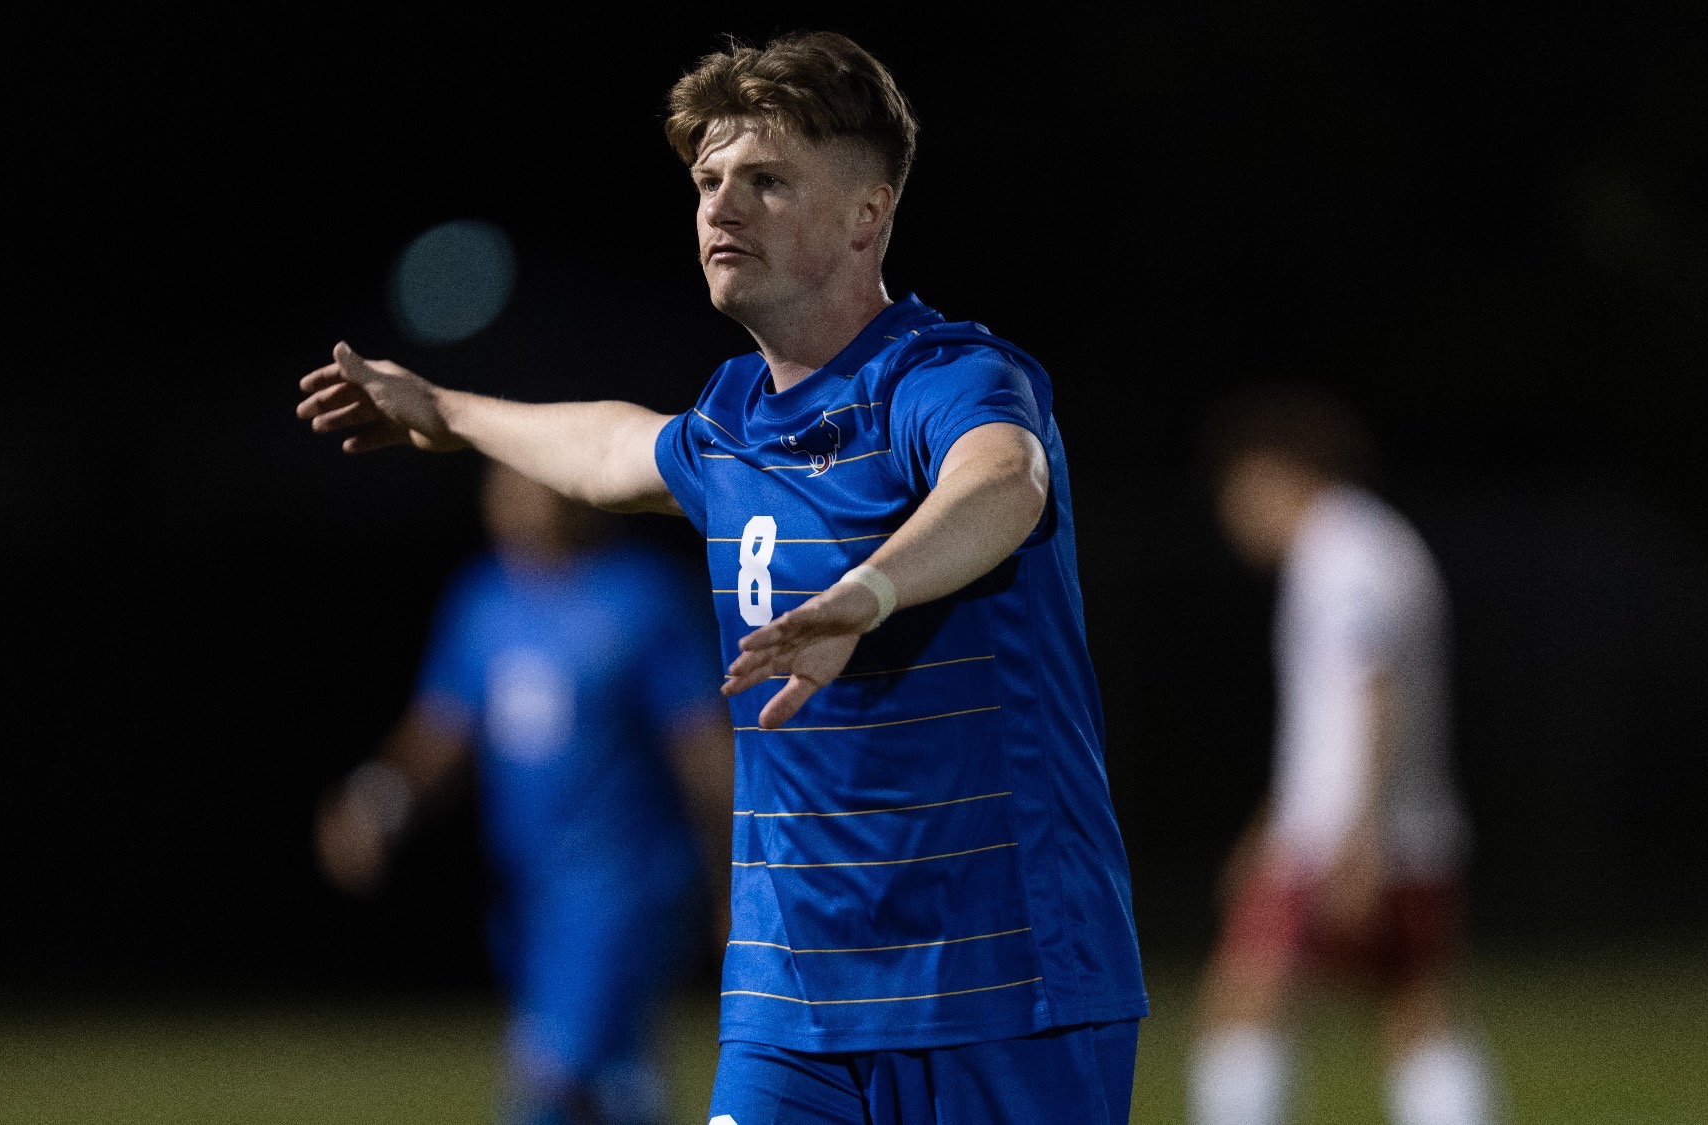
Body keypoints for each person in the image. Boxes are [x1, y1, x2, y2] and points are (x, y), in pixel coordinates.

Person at [298, 31, 1146, 1123]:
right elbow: (610, 448)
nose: (721, 208)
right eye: (707, 181)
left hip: (1001, 982)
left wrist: (866, 594)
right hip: (790, 998)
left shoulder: (944, 375)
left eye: (766, 181)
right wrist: (447, 411)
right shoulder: (733, 420)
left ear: (867, 214)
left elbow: (1003, 481)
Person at [315, 461, 731, 1125]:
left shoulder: (641, 598)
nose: (513, 499)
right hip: (529, 889)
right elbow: (443, 730)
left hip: (623, 885)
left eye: (530, 482)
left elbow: (703, 749)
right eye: (503, 483)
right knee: (612, 1082)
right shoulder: (484, 602)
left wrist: (736, 878)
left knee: (550, 1078)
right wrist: (376, 801)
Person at [1190, 386, 1498, 1125]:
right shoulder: (1379, 541)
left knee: (1240, 1003)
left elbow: (1372, 687)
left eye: (1234, 490)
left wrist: (1358, 835)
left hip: (1341, 836)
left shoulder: (1340, 555)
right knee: (1417, 1015)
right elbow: (1332, 718)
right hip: (1410, 826)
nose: (1232, 514)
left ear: (1271, 470)